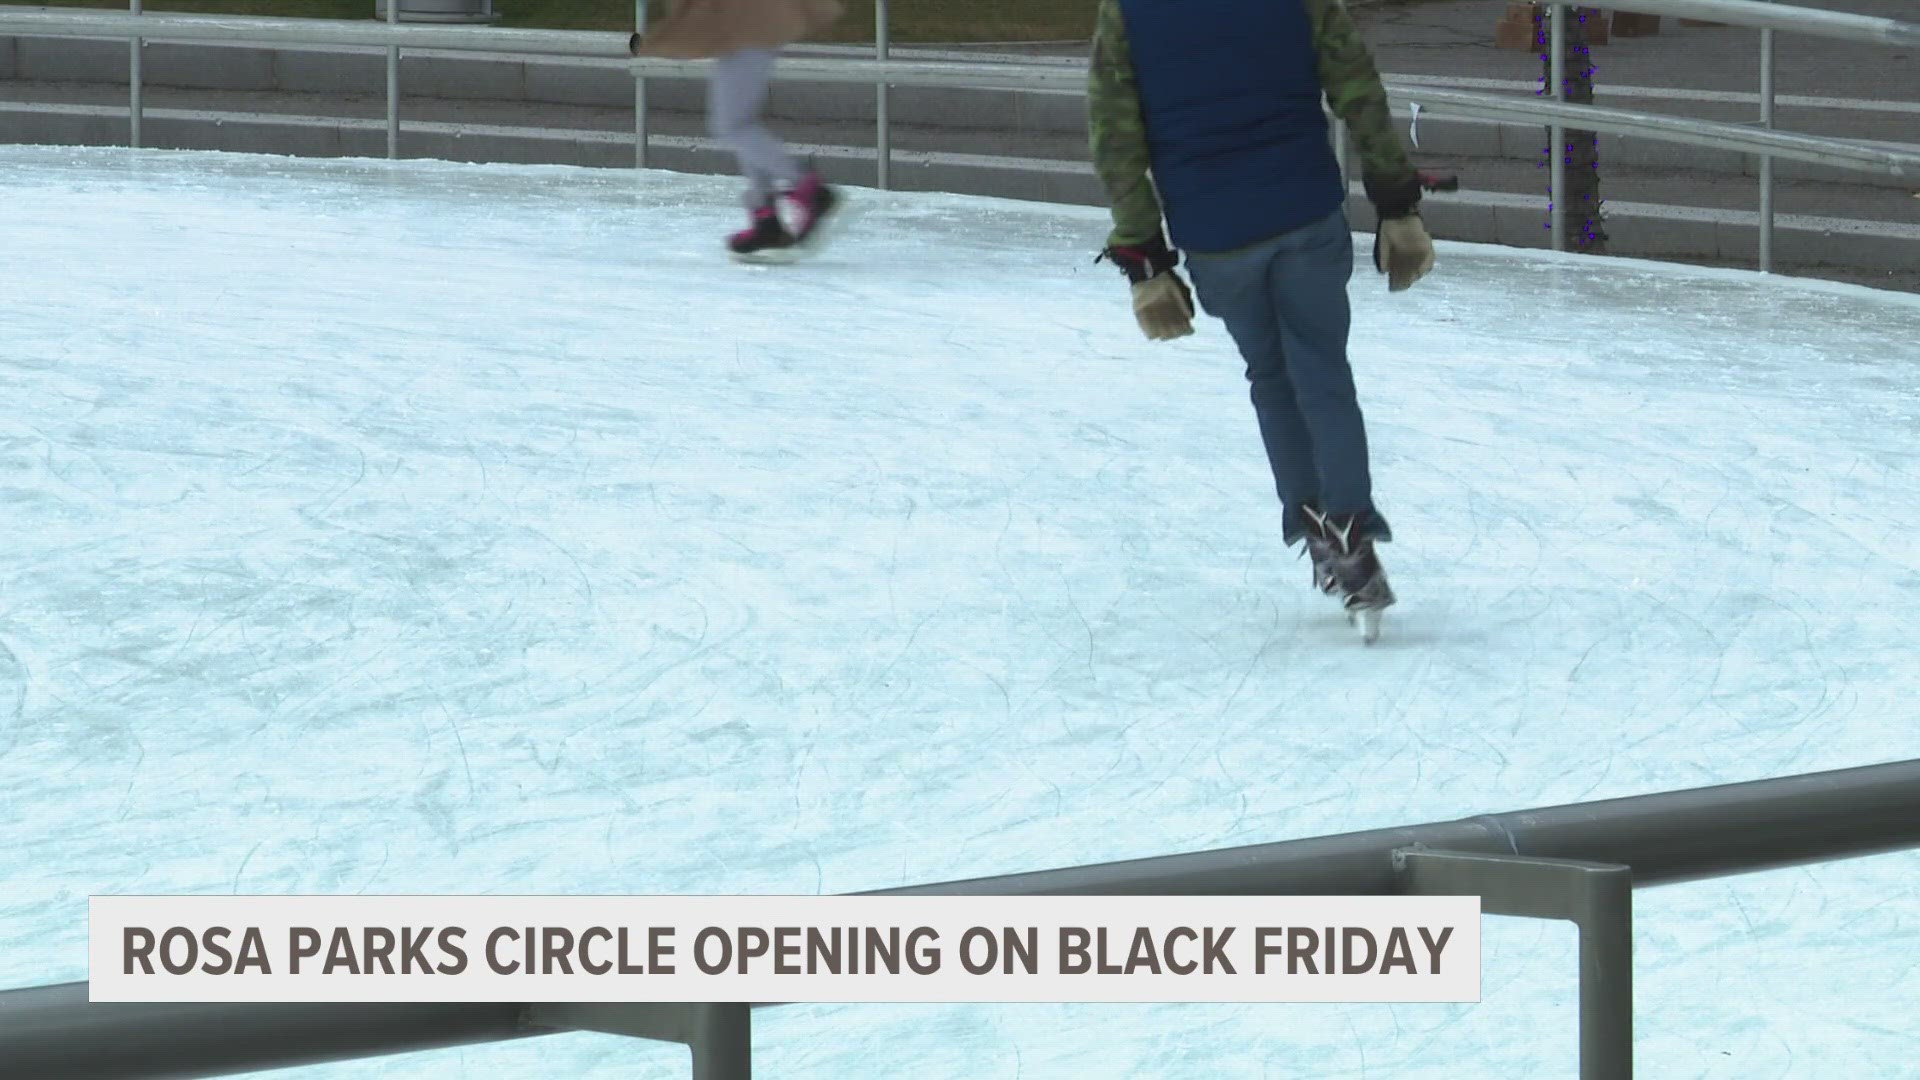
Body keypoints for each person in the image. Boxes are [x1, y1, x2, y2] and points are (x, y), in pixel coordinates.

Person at [1086, 0, 1436, 640]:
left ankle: (1321, 538)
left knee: (1271, 377)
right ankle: (1352, 529)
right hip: (1305, 211)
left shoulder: (1128, 13)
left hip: (1216, 233)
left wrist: (1145, 258)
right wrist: (1395, 200)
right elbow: (1356, 87)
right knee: (1323, 374)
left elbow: (1115, 135)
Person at [631, 0, 846, 258]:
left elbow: (695, 17)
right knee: (740, 124)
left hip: (749, 27)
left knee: (732, 126)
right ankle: (767, 216)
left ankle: (806, 188)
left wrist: (652, 43)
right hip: (747, 29)